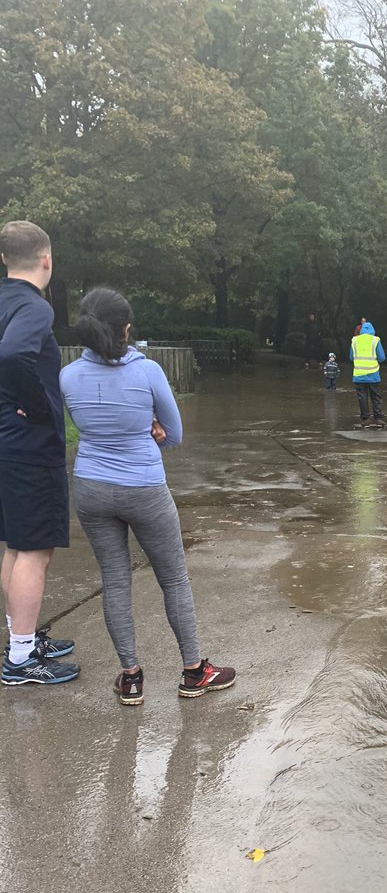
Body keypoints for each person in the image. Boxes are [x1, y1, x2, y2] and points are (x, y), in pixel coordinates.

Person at [59, 288, 235, 701]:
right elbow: (174, 434)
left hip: (90, 486)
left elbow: (90, 423)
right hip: (144, 487)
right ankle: (194, 672)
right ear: (127, 329)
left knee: (115, 581)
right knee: (173, 578)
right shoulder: (148, 371)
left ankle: (131, 677)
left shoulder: (67, 376)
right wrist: (151, 428)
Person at [0, 221, 79, 686]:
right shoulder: (34, 307)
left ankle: (20, 639)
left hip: (6, 442)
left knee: (15, 544)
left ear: (5, 260)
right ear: (46, 259)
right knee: (34, 549)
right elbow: (11, 355)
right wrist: (33, 402)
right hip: (28, 444)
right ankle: (21, 660)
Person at [350, 319, 385, 427]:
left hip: (359, 374)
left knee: (362, 397)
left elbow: (351, 357)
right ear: (372, 330)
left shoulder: (355, 340)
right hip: (373, 374)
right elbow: (382, 357)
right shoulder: (375, 340)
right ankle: (378, 418)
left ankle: (365, 419)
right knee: (376, 397)